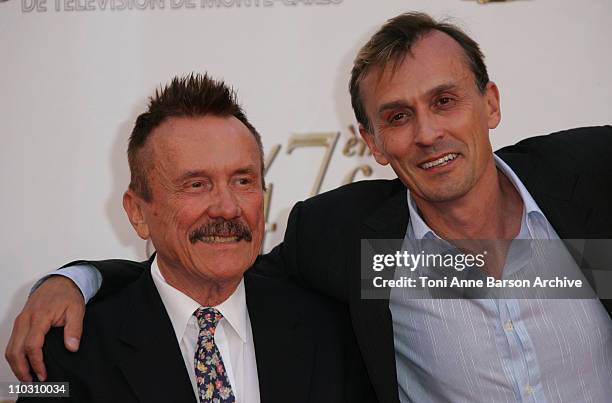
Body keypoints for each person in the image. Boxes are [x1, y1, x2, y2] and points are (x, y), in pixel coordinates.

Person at [6, 12, 612, 403]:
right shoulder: (359, 255)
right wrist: (74, 279)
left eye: (446, 100)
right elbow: (202, 272)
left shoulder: (592, 178)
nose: (428, 133)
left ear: (492, 103)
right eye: (398, 116)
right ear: (371, 142)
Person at [10, 74, 373, 403]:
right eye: (196, 185)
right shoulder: (66, 354)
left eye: (243, 181)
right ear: (138, 213)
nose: (227, 208)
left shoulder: (329, 329)